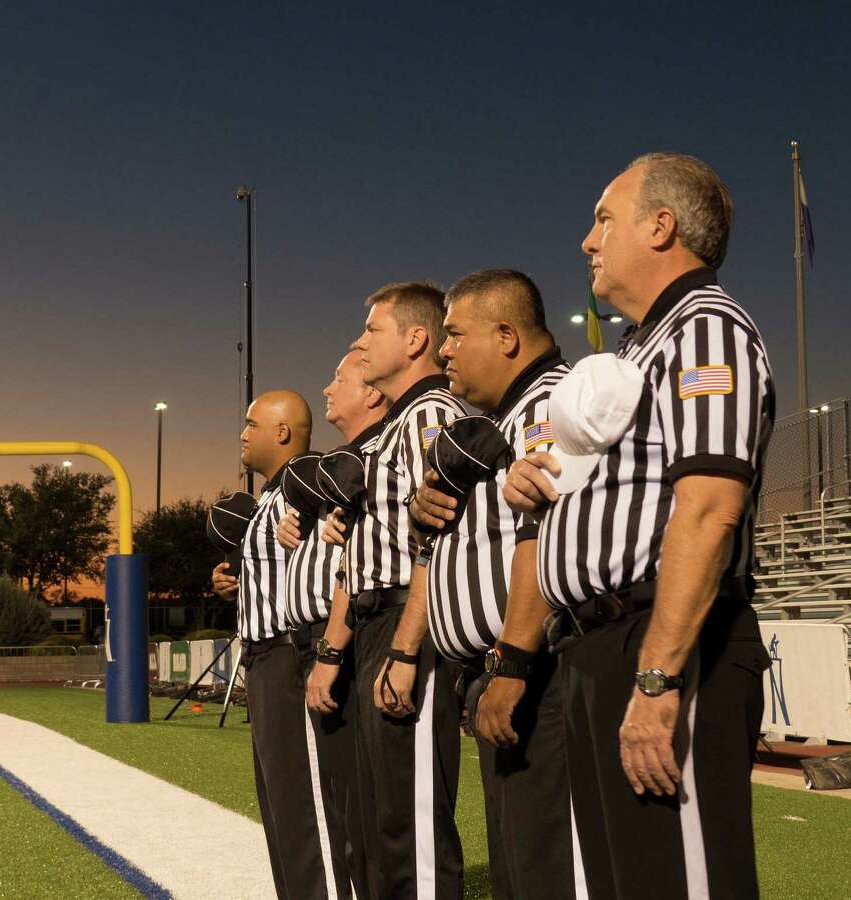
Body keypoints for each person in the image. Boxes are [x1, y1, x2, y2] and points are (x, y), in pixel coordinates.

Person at [505, 153, 775, 899]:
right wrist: (538, 484)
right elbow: (623, 494)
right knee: (626, 880)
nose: (588, 242)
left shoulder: (706, 327)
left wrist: (657, 679)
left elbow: (710, 506)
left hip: (663, 641)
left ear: (661, 227)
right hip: (600, 643)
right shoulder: (639, 345)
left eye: (603, 219)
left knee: (679, 880)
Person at [407, 269, 584, 900]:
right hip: (504, 671)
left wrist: (510, 661)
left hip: (538, 673)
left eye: (454, 334)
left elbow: (545, 540)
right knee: (518, 865)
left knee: (546, 867)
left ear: (506, 336)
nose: (444, 350)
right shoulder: (508, 415)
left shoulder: (550, 404)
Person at [322, 282, 467, 899]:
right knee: (383, 822)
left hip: (407, 622)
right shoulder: (404, 422)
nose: (360, 342)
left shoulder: (432, 415)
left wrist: (406, 650)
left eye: (372, 331)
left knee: (411, 826)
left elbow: (440, 542)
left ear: (415, 339)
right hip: (378, 617)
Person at [210, 389, 336, 900]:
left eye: (251, 423)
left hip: (291, 654)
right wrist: (233, 581)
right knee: (279, 802)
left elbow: (329, 562)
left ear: (282, 432)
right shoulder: (269, 497)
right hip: (263, 657)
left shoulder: (308, 483)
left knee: (304, 803)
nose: (242, 433)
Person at [276, 347, 389, 899]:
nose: (326, 388)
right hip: (326, 637)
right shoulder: (338, 466)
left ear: (372, 392)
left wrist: (329, 650)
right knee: (342, 799)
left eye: (338, 378)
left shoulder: (374, 456)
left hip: (352, 634)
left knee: (363, 803)